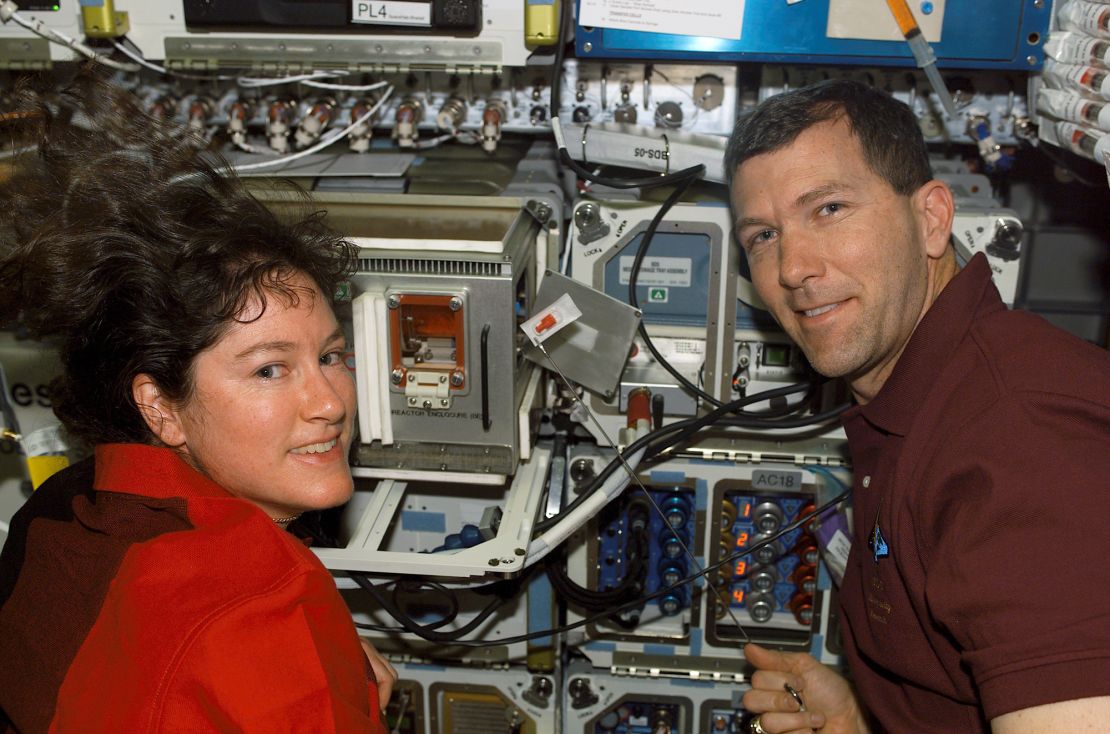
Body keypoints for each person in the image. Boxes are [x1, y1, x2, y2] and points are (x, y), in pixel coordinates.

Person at [0, 73, 396, 732]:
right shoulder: (270, 602)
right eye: (271, 370)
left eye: (329, 356)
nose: (328, 402)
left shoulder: (58, 510)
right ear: (159, 407)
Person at [725, 79, 1110, 733]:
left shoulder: (1021, 446)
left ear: (931, 219)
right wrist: (865, 722)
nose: (792, 267)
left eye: (828, 209)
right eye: (763, 235)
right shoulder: (920, 400)